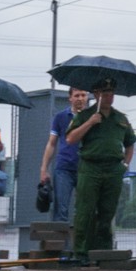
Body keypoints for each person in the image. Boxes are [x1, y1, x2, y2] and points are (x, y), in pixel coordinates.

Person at [64, 77, 136, 265]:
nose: (109, 97)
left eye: (111, 93)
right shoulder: (85, 115)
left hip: (113, 169)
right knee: (85, 211)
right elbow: (70, 139)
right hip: (90, 167)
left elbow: (130, 144)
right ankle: (81, 252)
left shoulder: (121, 118)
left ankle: (103, 252)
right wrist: (90, 123)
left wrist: (125, 165)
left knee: (107, 211)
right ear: (96, 94)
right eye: (105, 93)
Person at [40, 87, 90, 221]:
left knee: (84, 209)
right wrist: (44, 169)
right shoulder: (61, 117)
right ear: (70, 98)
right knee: (61, 210)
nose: (80, 98)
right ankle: (61, 242)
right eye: (77, 95)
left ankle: (80, 241)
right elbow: (51, 143)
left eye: (83, 95)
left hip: (85, 168)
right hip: (64, 168)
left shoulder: (92, 117)